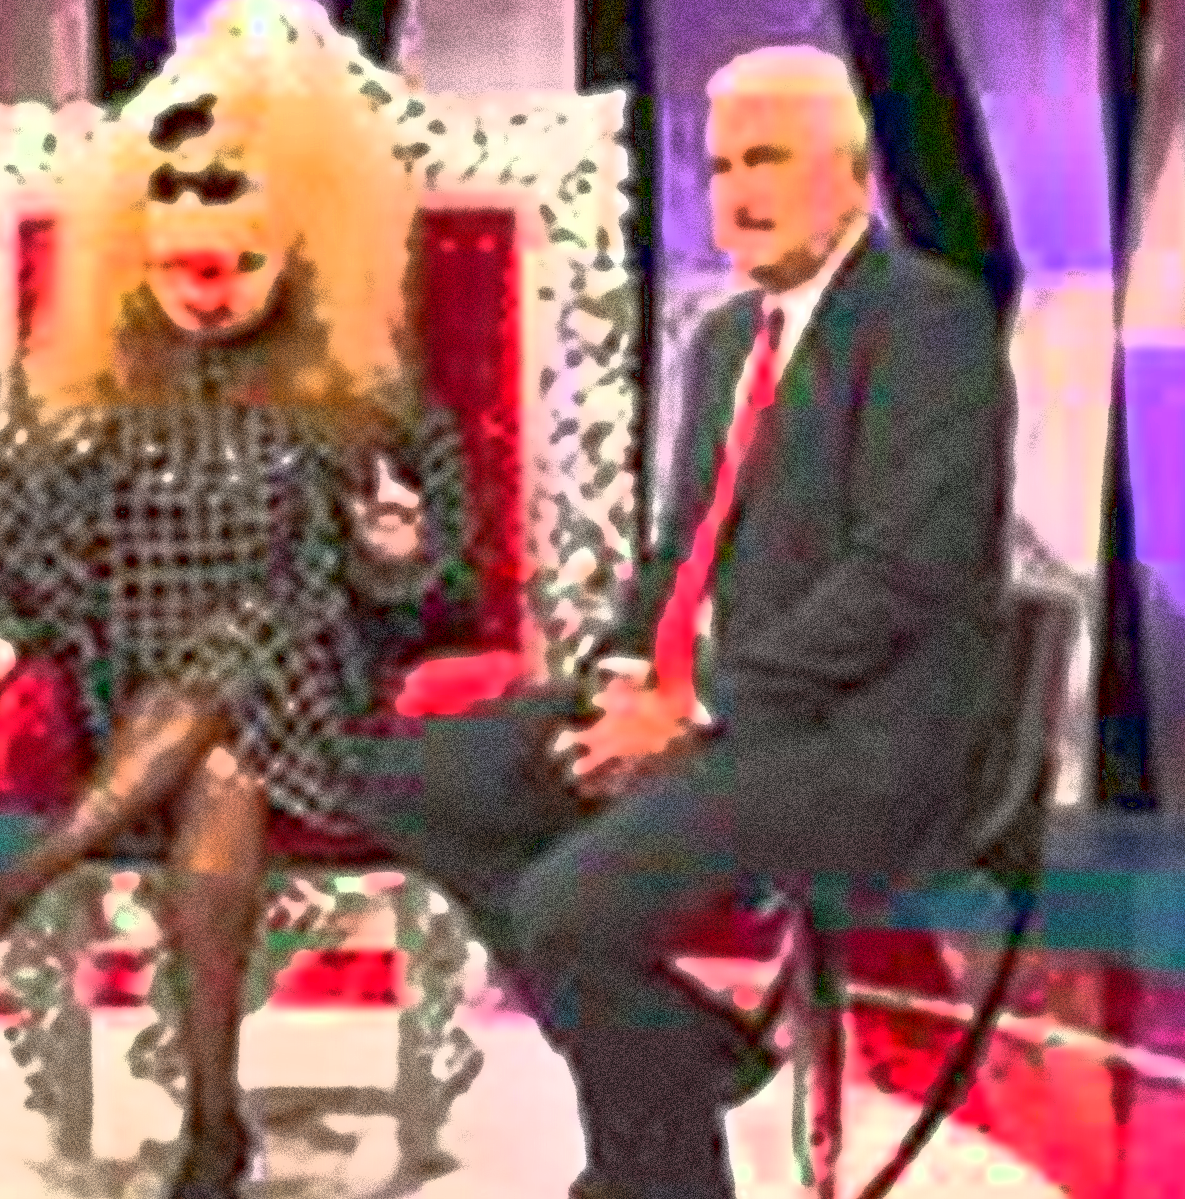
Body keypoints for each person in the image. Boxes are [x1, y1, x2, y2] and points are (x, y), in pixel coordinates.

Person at [364, 43, 1016, 1199]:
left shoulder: (930, 323)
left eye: (767, 159)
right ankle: (690, 1049)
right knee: (416, 780)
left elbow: (900, 577)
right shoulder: (725, 341)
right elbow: (684, 552)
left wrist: (692, 709)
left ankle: (655, 1175)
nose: (736, 192)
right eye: (718, 167)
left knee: (567, 912)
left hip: (862, 739)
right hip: (717, 702)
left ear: (855, 174)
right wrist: (627, 675)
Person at [0, 26, 473, 1199]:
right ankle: (215, 1124)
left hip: (311, 696)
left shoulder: (364, 391)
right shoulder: (86, 387)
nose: (207, 294)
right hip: (132, 703)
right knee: (215, 760)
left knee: (246, 665)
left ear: (294, 252)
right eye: (180, 269)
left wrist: (395, 550)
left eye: (237, 266)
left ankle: (23, 883)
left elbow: (442, 599)